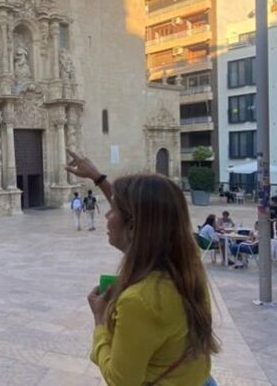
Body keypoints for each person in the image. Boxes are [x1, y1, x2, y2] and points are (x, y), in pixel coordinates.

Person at [65, 149, 218, 386]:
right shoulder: (187, 263)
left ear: (134, 226)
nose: (106, 214)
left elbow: (121, 381)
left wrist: (100, 322)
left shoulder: (139, 301)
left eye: (113, 209)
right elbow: (148, 212)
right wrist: (98, 178)